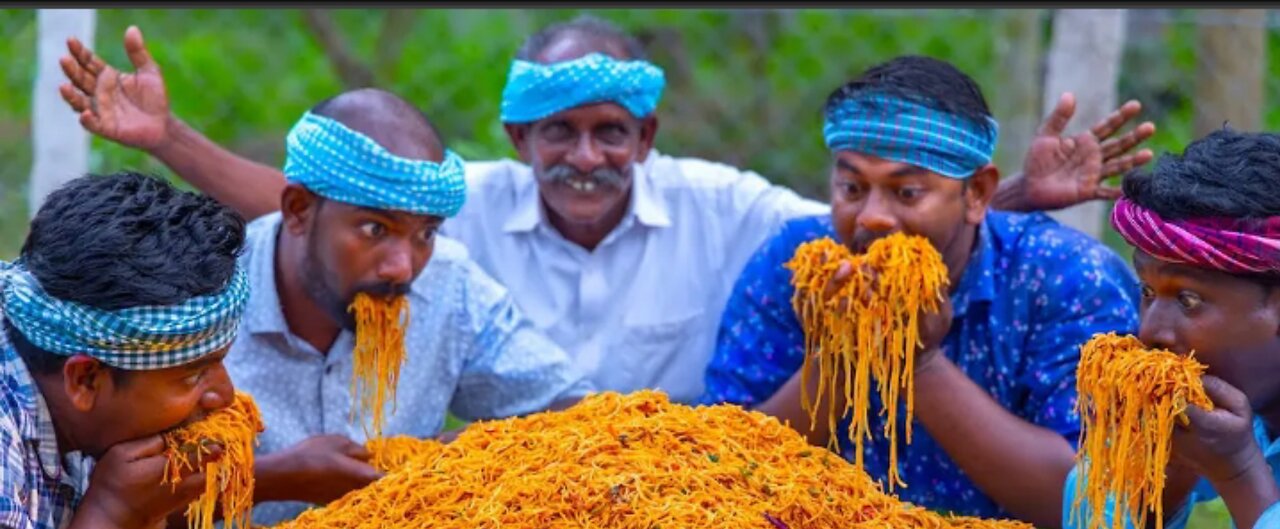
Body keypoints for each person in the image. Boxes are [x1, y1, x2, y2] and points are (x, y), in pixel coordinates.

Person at [57, 17, 1157, 404]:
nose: (584, 155)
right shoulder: (454, 214)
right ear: (518, 143)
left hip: (682, 497)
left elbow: (872, 231)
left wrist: (1002, 200)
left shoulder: (724, 209)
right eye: (557, 134)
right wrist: (170, 142)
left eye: (609, 132)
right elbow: (329, 210)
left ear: (647, 140)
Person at [700, 55, 1140, 529]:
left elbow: (1096, 505)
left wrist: (918, 360)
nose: (871, 217)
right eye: (851, 187)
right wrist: (841, 349)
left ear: (976, 193)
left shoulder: (1065, 279)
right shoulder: (794, 262)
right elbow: (726, 465)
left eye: (906, 193)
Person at [188, 88, 593, 529]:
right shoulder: (198, 298)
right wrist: (268, 479)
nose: (402, 268)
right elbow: (119, 504)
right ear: (299, 210)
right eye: (374, 228)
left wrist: (444, 457)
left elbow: (575, 408)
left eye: (425, 234)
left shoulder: (449, 284)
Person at [0, 171, 249, 529]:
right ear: (85, 379)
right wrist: (109, 515)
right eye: (194, 375)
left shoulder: (89, 417)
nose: (224, 397)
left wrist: (139, 523)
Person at [1058, 128, 1278, 529]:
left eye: (1187, 301)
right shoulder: (1251, 403)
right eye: (1147, 292)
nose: (1152, 331)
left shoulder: (1243, 439)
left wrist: (1239, 473)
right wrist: (1160, 460)